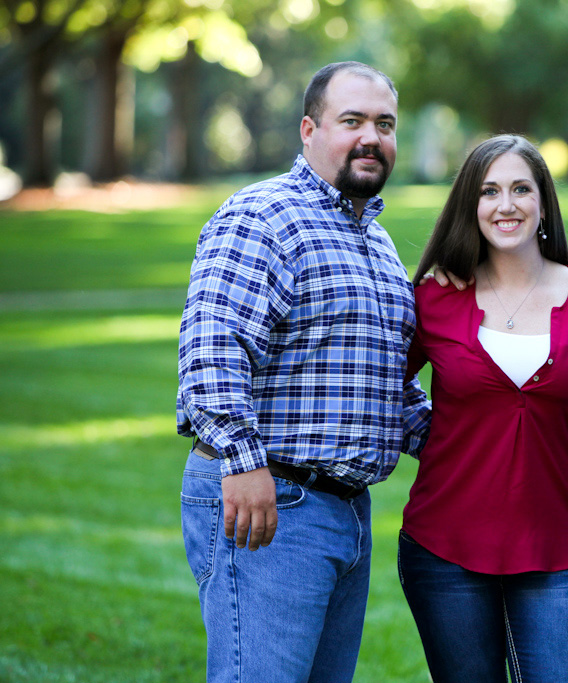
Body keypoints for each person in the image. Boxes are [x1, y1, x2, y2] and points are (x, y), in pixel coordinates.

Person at [176, 61, 430, 683]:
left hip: (346, 510)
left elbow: (391, 389)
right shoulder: (264, 215)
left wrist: (483, 443)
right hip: (271, 501)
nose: (372, 137)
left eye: (385, 124)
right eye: (353, 121)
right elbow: (213, 344)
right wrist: (242, 461)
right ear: (309, 129)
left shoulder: (377, 243)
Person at [399, 135, 568, 682]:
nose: (506, 204)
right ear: (471, 204)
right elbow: (374, 387)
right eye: (489, 191)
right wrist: (432, 438)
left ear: (544, 202)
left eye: (522, 189)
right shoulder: (434, 299)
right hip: (443, 547)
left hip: (556, 551)